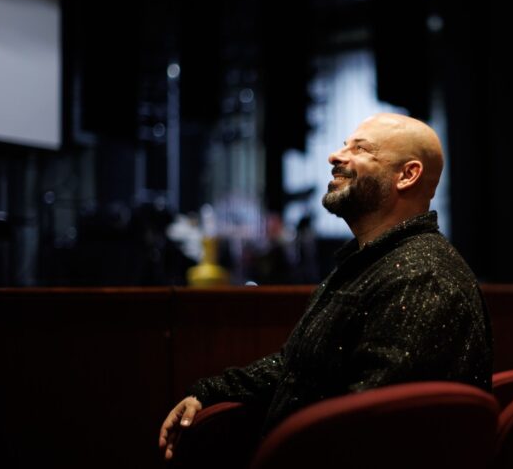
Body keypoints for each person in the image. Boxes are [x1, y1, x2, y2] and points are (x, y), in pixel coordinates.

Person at [159, 113, 494, 460]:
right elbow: (299, 366)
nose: (335, 156)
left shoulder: (424, 278)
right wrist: (207, 393)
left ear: (407, 175)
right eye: (343, 145)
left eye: (360, 149)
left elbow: (368, 431)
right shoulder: (368, 261)